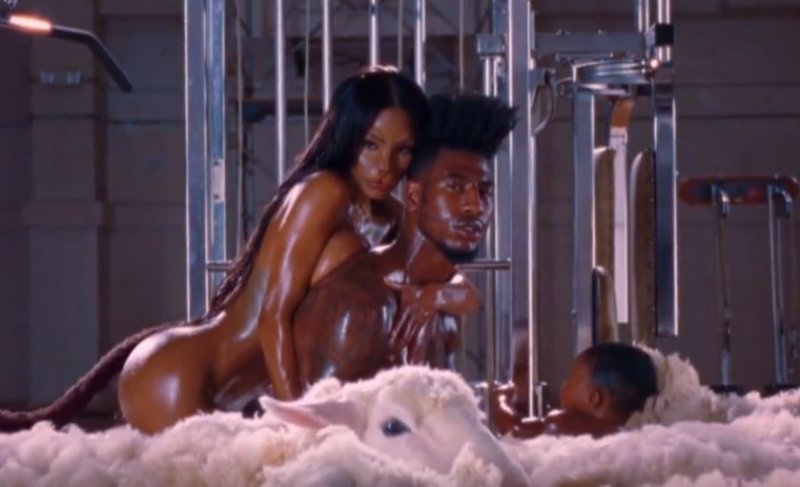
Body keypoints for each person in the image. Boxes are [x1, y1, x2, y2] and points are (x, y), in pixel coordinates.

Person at [0, 67, 481, 435]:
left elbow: (443, 274)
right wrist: (303, 423)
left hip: (226, 389)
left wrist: (437, 296)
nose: (384, 166)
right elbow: (274, 315)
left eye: (402, 151)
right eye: (370, 145)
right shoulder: (325, 192)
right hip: (180, 375)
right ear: (346, 136)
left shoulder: (384, 211)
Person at [288, 93, 517, 389]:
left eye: (484, 191)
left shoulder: (439, 302)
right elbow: (312, 418)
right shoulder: (360, 307)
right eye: (456, 187)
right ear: (413, 196)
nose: (475, 206)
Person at [492, 342, 659, 439]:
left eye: (571, 378)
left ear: (595, 398)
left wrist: (500, 400)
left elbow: (517, 430)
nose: (565, 384)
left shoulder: (567, 422)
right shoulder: (626, 436)